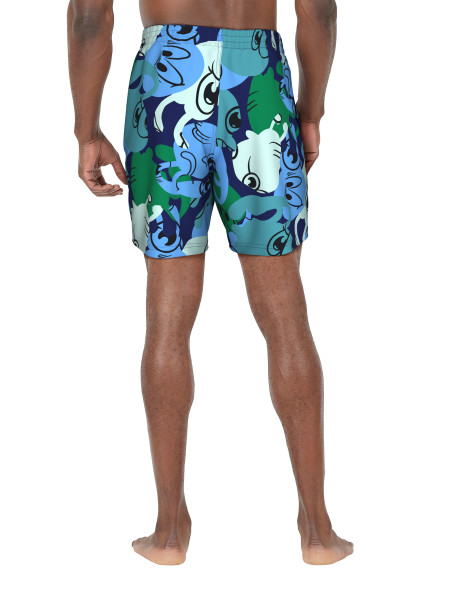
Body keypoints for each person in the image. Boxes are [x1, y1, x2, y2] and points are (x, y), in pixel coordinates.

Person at [67, 0, 353, 566]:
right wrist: (310, 111)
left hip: (167, 79)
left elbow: (89, 16)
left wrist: (85, 129)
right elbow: (318, 10)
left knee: (167, 317)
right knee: (285, 313)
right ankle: (318, 530)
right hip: (258, 74)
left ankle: (169, 532)